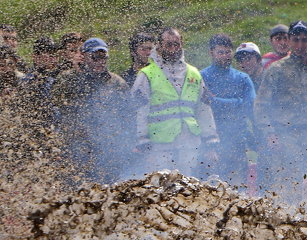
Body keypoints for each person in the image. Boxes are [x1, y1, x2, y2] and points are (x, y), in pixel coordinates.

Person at [255, 21, 307, 198]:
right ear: (290, 41)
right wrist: (270, 133)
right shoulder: (276, 69)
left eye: (304, 40)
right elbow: (262, 104)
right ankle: (289, 224)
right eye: (296, 40)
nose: (300, 45)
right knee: (288, 187)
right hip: (286, 136)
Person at [131, 27, 218, 177]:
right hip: (159, 146)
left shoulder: (194, 74)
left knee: (187, 190)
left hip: (189, 143)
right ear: (159, 46)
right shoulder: (146, 74)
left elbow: (204, 110)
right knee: (162, 190)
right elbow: (139, 112)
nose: (173, 49)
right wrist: (144, 145)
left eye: (176, 44)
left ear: (181, 44)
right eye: (168, 45)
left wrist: (211, 143)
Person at [50, 37, 131, 182]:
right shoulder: (70, 79)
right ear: (85, 56)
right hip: (76, 149)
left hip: (107, 150)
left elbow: (128, 116)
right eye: (95, 57)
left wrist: (126, 145)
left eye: (103, 57)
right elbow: (56, 101)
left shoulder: (117, 83)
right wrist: (78, 74)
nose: (100, 62)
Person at [202, 33, 256, 182]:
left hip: (237, 140)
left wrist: (216, 101)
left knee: (237, 190)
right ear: (211, 53)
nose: (225, 56)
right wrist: (236, 102)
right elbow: (201, 108)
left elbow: (250, 107)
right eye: (220, 52)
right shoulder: (202, 77)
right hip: (211, 141)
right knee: (211, 188)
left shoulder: (242, 78)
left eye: (228, 52)